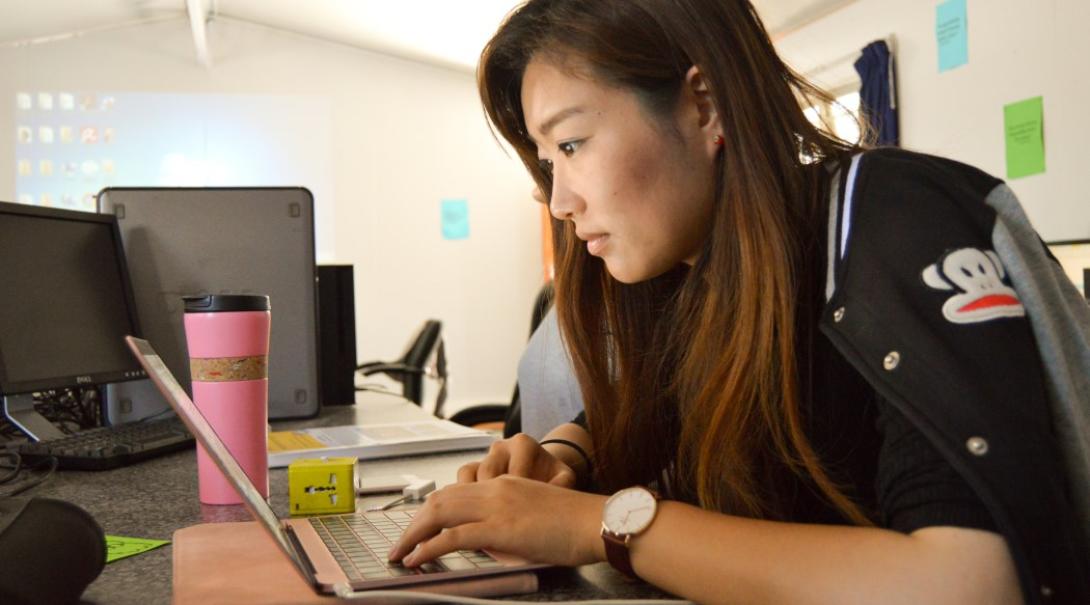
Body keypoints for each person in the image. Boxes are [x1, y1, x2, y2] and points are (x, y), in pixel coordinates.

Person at [388, 1, 1090, 603]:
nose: (562, 201)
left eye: (572, 142)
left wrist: (598, 524)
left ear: (704, 103)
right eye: (548, 162)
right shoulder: (692, 275)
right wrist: (556, 453)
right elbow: (649, 407)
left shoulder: (893, 215)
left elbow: (971, 581)